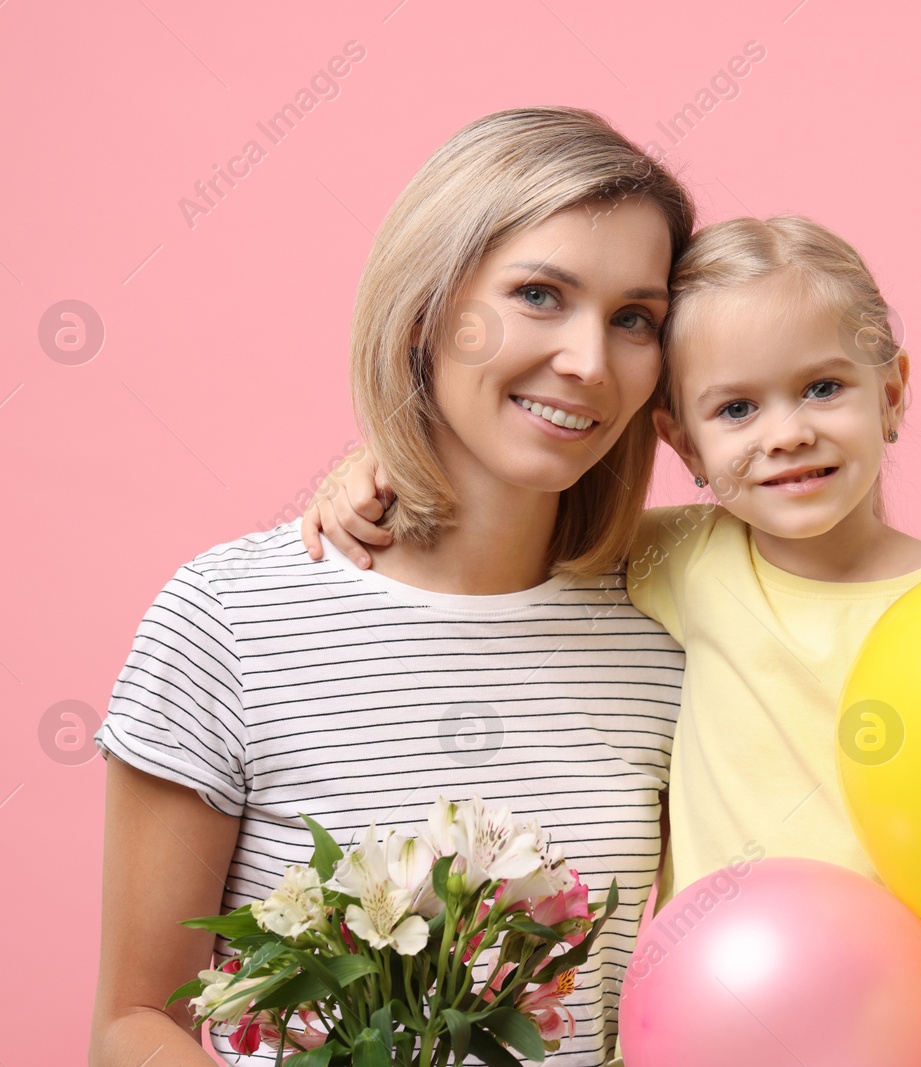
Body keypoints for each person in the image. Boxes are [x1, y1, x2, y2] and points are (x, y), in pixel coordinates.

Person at [88, 106, 696, 1067]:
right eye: (540, 294)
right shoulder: (230, 619)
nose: (587, 361)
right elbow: (134, 1023)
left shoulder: (680, 622)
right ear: (427, 309)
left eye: (635, 319)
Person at [303, 214, 921, 967]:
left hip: (907, 1009)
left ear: (892, 391)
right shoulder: (683, 557)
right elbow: (503, 527)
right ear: (683, 443)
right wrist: (372, 465)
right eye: (737, 409)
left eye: (823, 387)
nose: (787, 433)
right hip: (713, 1008)